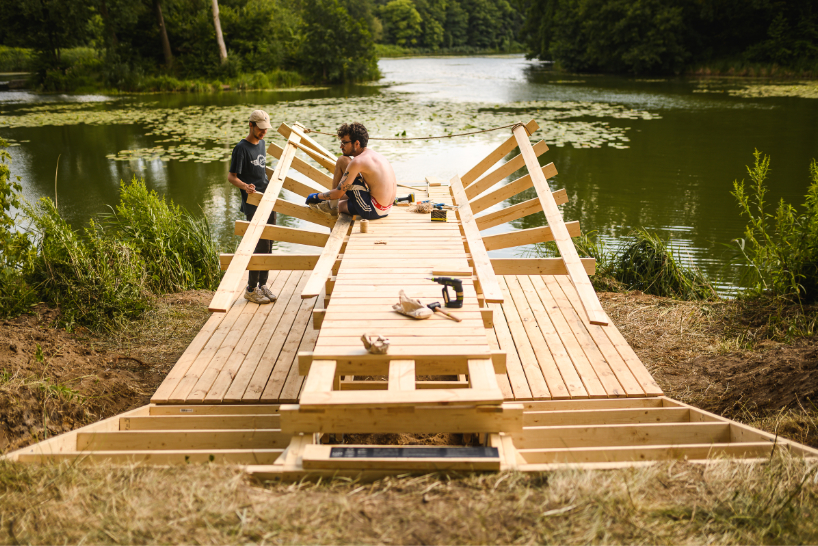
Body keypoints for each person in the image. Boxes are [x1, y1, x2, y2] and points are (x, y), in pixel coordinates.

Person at [228, 110, 278, 305]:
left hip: (268, 199)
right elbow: (232, 177)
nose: (264, 133)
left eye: (266, 129)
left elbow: (261, 173)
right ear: (251, 125)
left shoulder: (262, 144)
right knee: (257, 245)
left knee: (269, 243)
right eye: (260, 129)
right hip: (253, 202)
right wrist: (245, 186)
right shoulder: (241, 148)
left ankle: (263, 284)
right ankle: (250, 289)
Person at [305, 122, 397, 219]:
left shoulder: (358, 161)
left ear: (357, 143)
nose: (341, 146)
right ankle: (332, 203)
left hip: (373, 210)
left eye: (344, 143)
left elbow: (338, 193)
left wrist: (315, 196)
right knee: (340, 205)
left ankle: (331, 204)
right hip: (386, 209)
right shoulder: (376, 155)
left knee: (342, 160)